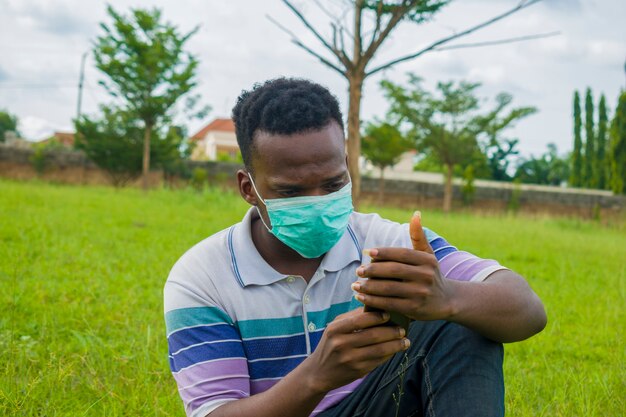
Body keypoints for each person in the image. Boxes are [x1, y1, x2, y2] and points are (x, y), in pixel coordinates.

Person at [164, 78, 547, 417]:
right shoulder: (202, 277)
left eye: (332, 184)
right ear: (249, 188)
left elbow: (528, 310)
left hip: (373, 403)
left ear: (347, 167)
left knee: (461, 323)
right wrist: (317, 375)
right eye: (291, 191)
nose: (316, 201)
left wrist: (447, 296)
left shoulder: (385, 242)